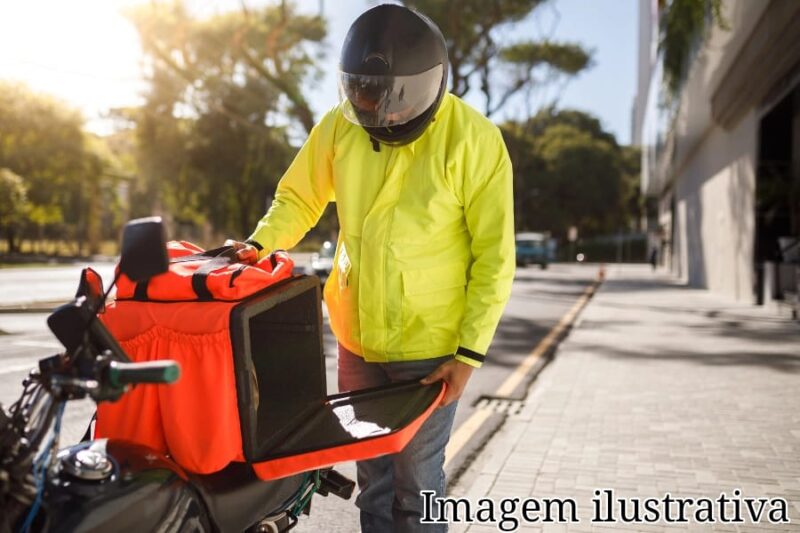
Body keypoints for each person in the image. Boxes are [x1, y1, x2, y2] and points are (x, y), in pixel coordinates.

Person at [227, 4, 514, 531]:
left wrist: (469, 355)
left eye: (394, 97)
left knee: (418, 485)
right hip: (358, 340)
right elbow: (298, 199)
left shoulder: (474, 140)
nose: (381, 111)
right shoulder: (341, 125)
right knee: (372, 485)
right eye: (365, 91)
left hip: (431, 351)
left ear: (433, 83)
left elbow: (495, 257)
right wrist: (258, 245)